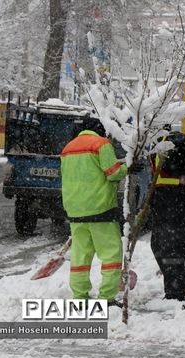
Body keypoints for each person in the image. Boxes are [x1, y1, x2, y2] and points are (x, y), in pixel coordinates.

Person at [60, 117, 128, 306]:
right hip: (100, 209)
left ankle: (80, 296)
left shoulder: (67, 149)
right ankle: (106, 298)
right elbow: (113, 173)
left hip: (75, 210)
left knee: (80, 256)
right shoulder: (100, 144)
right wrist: (128, 168)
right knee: (111, 254)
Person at [149, 129, 185, 301]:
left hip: (179, 203)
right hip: (162, 205)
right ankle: (180, 285)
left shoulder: (180, 144)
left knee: (173, 251)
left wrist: (171, 144)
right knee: (158, 246)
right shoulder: (155, 146)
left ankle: (174, 292)